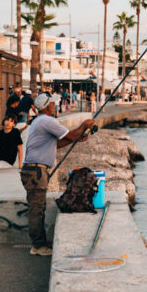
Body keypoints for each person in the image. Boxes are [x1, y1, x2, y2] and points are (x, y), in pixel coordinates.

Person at [21, 93, 95, 256]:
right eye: (53, 104)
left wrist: (75, 138)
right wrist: (84, 125)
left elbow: (58, 143)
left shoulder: (39, 121)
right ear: (47, 107)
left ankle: (39, 244)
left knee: (37, 207)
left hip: (33, 170)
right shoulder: (47, 121)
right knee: (37, 208)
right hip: (36, 172)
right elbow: (69, 134)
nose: (55, 106)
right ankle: (38, 246)